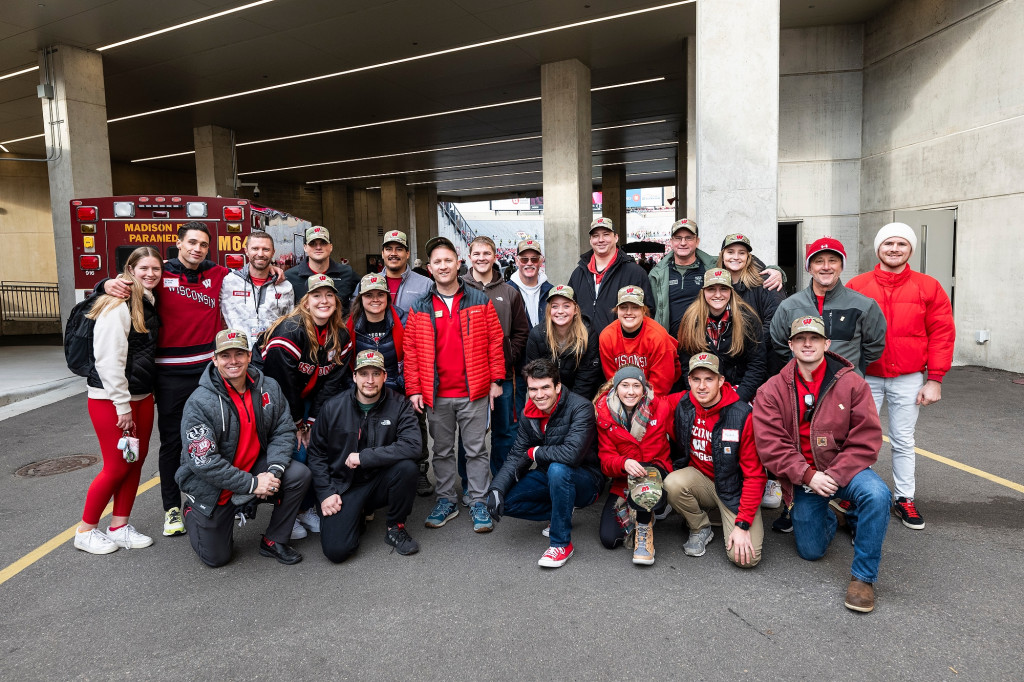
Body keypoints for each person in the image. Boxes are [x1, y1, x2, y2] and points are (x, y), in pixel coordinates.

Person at [102, 222, 284, 537]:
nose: (197, 249)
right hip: (170, 372)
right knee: (173, 441)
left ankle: (216, 495)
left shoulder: (216, 274)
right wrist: (105, 284)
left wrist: (275, 272)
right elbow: (127, 283)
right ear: (179, 243)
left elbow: (253, 275)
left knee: (219, 435)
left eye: (202, 244)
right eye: (192, 243)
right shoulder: (161, 274)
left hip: (209, 372)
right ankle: (172, 507)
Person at [754, 316, 890, 613]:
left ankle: (863, 578)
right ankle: (833, 516)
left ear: (826, 344)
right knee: (810, 551)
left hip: (846, 470)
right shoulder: (771, 390)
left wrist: (836, 475)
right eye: (800, 339)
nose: (807, 344)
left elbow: (867, 439)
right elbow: (770, 446)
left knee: (878, 495)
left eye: (814, 338)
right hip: (805, 477)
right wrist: (807, 475)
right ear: (790, 345)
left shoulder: (853, 384)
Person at [847, 223, 955, 530]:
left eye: (901, 244)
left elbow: (942, 334)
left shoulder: (928, 286)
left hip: (908, 377)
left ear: (910, 249)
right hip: (866, 377)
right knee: (857, 438)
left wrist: (934, 379)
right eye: (888, 243)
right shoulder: (857, 285)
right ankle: (855, 494)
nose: (894, 249)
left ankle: (904, 498)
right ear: (878, 248)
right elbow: (844, 335)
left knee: (903, 440)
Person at [176, 329, 312, 567]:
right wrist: (253, 484)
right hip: (213, 487)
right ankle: (193, 513)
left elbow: (283, 429)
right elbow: (204, 462)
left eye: (239, 353)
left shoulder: (268, 386)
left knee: (298, 475)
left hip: (254, 470)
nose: (233, 361)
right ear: (215, 359)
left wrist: (273, 472)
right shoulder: (199, 403)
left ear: (250, 356)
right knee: (217, 559)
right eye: (225, 355)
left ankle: (273, 540)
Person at [404, 236, 505, 533]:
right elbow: (410, 352)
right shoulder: (419, 306)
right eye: (437, 262)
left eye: (448, 260)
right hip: (437, 395)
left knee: (475, 450)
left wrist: (496, 380)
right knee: (443, 452)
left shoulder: (479, 300)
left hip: (473, 392)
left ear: (458, 263)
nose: (443, 266)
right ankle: (446, 499)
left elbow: (495, 342)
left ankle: (477, 501)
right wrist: (414, 389)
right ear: (430, 268)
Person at [74, 247, 162, 555]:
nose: (150, 274)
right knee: (115, 467)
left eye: (156, 269)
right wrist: (122, 406)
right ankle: (85, 530)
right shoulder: (118, 304)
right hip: (111, 400)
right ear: (130, 269)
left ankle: (119, 525)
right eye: (144, 268)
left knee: (134, 463)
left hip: (140, 396)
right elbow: (108, 360)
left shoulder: (147, 301)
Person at [305, 350, 422, 562]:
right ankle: (356, 515)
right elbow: (316, 454)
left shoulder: (399, 405)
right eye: (364, 373)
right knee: (337, 552)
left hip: (380, 480)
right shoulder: (333, 407)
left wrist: (365, 457)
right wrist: (325, 493)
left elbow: (414, 446)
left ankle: (395, 527)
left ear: (385, 376)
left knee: (407, 468)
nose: (370, 380)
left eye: (376, 374)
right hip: (343, 486)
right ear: (354, 376)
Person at [259, 274, 353, 538]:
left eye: (328, 295)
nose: (323, 301)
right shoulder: (290, 330)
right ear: (306, 301)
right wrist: (299, 425)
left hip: (308, 395)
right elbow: (281, 385)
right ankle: (292, 512)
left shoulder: (340, 334)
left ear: (336, 300)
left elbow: (331, 384)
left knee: (319, 445)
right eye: (316, 296)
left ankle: (309, 506)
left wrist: (312, 423)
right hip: (275, 397)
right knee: (297, 451)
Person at [486, 359, 602, 568]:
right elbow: (515, 455)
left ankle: (561, 544)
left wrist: (535, 452)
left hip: (586, 479)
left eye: (545, 387)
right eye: (533, 389)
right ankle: (562, 509)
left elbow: (572, 455)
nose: (539, 395)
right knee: (505, 502)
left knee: (559, 468)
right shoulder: (529, 413)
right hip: (549, 475)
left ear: (557, 386)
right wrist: (496, 488)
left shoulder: (580, 408)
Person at [663, 353, 766, 567]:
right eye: (696, 379)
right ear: (689, 381)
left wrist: (743, 523)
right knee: (671, 483)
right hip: (702, 481)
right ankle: (700, 526)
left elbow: (755, 475)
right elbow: (651, 403)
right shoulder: (683, 403)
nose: (702, 386)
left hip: (733, 489)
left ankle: (726, 516)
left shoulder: (741, 415)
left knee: (746, 559)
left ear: (721, 381)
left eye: (709, 379)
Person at [351, 230, 433, 496]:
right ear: (383, 252)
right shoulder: (365, 289)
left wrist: (412, 384)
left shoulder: (424, 284)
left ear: (407, 253)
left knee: (412, 424)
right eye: (389, 248)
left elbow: (416, 345)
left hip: (401, 376)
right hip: (366, 380)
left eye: (399, 248)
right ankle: (373, 474)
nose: (394, 253)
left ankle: (418, 471)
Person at [715, 233, 788, 512]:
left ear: (749, 257)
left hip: (761, 364)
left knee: (762, 424)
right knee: (733, 424)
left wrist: (747, 343)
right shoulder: (716, 281)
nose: (735, 257)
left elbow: (775, 321)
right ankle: (737, 476)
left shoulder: (765, 283)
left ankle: (771, 478)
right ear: (721, 254)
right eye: (730, 251)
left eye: (741, 253)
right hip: (727, 366)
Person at [594, 366, 679, 565]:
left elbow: (680, 437)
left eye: (636, 386)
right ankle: (649, 511)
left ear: (644, 388)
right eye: (625, 385)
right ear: (616, 387)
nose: (631, 391)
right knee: (609, 539)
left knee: (645, 475)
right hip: (624, 478)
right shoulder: (604, 413)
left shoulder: (661, 406)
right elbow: (606, 461)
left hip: (656, 469)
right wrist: (624, 463)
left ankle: (644, 529)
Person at [770, 237, 887, 377]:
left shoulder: (864, 305)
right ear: (809, 268)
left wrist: (850, 369)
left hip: (846, 387)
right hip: (803, 386)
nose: (826, 267)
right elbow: (780, 345)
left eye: (832, 260)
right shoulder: (789, 306)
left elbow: (874, 346)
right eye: (819, 261)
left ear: (841, 266)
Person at [463, 235, 530, 476]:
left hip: (503, 376)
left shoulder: (510, 292)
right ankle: (471, 483)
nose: (482, 258)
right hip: (467, 378)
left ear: (495, 256)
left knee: (505, 431)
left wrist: (507, 358)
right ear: (470, 257)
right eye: (477, 254)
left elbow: (522, 332)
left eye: (486, 253)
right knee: (470, 434)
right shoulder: (458, 287)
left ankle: (501, 481)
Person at [650, 218, 783, 337]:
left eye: (689, 238)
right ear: (671, 242)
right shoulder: (657, 274)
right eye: (678, 238)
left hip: (708, 343)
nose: (683, 242)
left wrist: (776, 271)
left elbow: (741, 260)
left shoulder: (712, 266)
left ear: (697, 241)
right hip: (671, 342)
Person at [675, 268, 766, 402]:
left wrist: (738, 399)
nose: (718, 294)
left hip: (738, 391)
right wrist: (698, 395)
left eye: (723, 289)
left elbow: (757, 365)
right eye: (711, 289)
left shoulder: (747, 318)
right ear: (703, 292)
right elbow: (685, 365)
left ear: (731, 291)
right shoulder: (691, 319)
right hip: (702, 391)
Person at [568, 217, 654, 331]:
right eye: (595, 236)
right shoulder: (578, 274)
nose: (601, 240)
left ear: (616, 237)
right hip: (585, 346)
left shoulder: (635, 273)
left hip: (619, 346)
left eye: (606, 234)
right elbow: (568, 309)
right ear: (590, 240)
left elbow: (647, 313)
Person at [523, 284, 602, 400]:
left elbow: (587, 377)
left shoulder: (588, 334)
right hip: (546, 396)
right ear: (549, 310)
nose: (560, 311)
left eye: (566, 306)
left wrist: (570, 404)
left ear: (575, 309)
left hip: (579, 397)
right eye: (555, 306)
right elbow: (534, 374)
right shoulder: (537, 335)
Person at [599, 286, 680, 396]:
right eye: (623, 307)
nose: (629, 312)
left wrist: (641, 407)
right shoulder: (607, 336)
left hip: (657, 394)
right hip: (623, 395)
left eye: (635, 307)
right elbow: (613, 380)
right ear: (617, 310)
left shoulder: (658, 336)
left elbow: (661, 386)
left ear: (644, 310)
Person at [220, 231, 294, 348]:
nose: (260, 254)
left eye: (266, 249)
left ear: (273, 252)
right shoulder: (228, 282)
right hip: (239, 352)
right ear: (246, 251)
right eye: (255, 249)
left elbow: (290, 322)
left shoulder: (285, 286)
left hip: (272, 352)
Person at [286, 225, 357, 315]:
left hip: (338, 328)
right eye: (312, 243)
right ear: (305, 247)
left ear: (331, 247)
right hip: (302, 328)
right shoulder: (290, 276)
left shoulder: (347, 273)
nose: (318, 247)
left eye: (323, 243)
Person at [507, 239, 553, 328]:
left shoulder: (551, 291)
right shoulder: (506, 291)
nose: (529, 263)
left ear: (540, 261)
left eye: (534, 259)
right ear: (517, 261)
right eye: (524, 260)